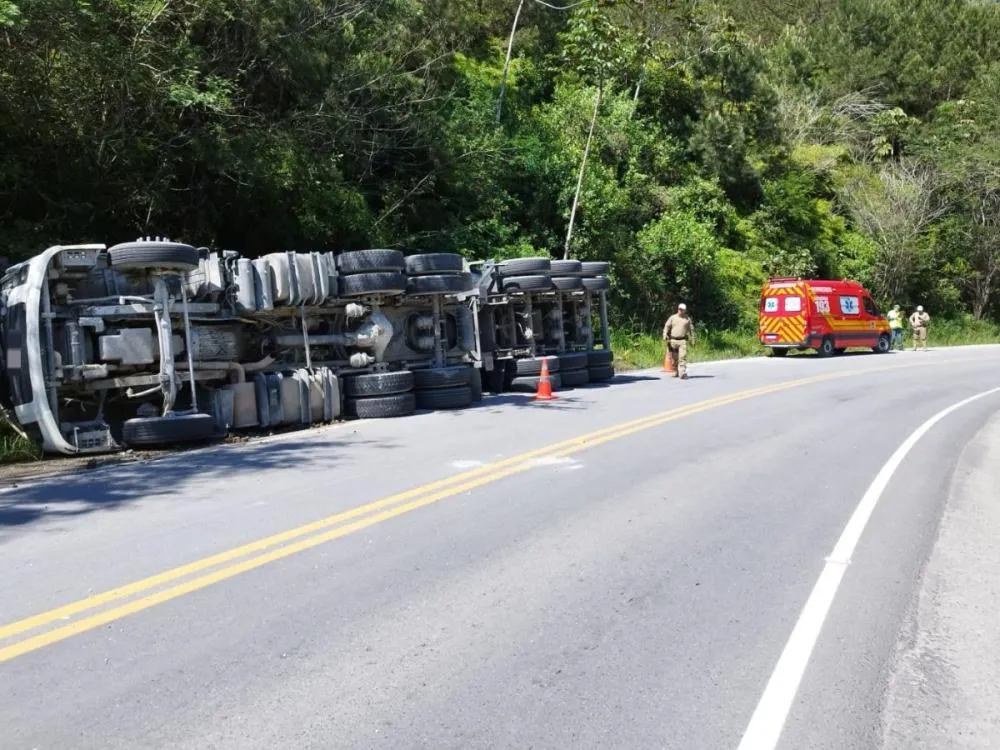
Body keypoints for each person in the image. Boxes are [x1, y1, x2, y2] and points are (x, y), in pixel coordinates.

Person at [662, 303, 696, 379]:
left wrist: (693, 339)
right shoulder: (672, 318)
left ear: (685, 310)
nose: (681, 311)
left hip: (682, 341)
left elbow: (691, 330)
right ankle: (675, 371)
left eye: (682, 310)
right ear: (678, 309)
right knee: (674, 358)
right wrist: (665, 335)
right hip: (673, 340)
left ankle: (682, 373)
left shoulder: (687, 319)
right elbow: (667, 326)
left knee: (682, 357)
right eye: (680, 309)